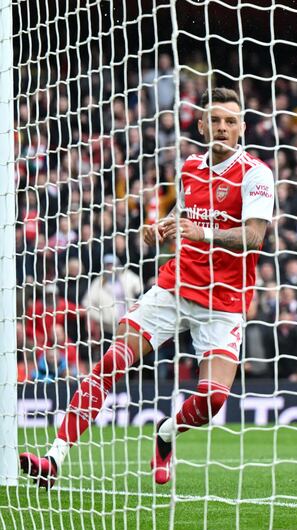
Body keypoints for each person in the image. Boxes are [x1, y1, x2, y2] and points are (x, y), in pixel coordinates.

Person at [19, 87, 275, 488]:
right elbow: (183, 213)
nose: (222, 128)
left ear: (242, 126)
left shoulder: (257, 173)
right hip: (174, 288)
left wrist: (201, 232)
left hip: (223, 302)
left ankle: (166, 433)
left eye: (230, 121)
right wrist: (161, 227)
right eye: (215, 120)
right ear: (203, 124)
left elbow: (255, 236)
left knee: (213, 400)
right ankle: (54, 459)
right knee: (110, 364)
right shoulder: (190, 166)